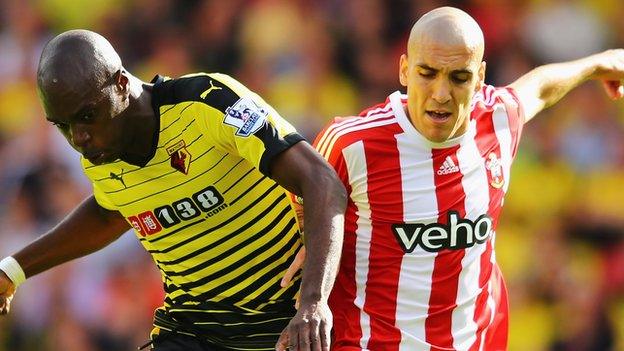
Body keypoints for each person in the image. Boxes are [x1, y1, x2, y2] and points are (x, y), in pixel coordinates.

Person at [281, 7, 624, 351]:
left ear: (479, 77)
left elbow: (541, 88)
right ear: (404, 70)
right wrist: (312, 235)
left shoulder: (500, 118)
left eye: (459, 78)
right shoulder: (351, 143)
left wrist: (598, 64)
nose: (441, 93)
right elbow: (306, 196)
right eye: (427, 73)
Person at [0, 29, 347, 351]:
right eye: (63, 125)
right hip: (191, 329)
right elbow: (109, 212)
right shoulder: (101, 153)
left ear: (121, 84)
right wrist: (13, 270)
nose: (78, 138)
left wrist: (314, 301)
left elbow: (322, 183)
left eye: (86, 115)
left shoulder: (209, 103)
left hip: (281, 322)